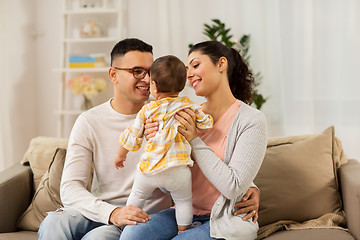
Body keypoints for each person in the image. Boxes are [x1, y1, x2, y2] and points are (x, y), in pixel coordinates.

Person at [37, 38, 260, 240]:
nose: (146, 79)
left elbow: (207, 158)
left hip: (142, 215)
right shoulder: (89, 121)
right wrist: (113, 213)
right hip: (101, 210)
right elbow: (70, 188)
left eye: (149, 72)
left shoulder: (173, 113)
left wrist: (249, 186)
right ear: (113, 75)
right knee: (54, 222)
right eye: (137, 71)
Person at [120, 40, 267, 240]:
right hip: (184, 211)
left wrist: (194, 140)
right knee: (131, 236)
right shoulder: (183, 112)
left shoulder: (251, 120)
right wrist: (156, 146)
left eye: (195, 65)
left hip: (225, 218)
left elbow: (233, 187)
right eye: (187, 68)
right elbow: (166, 185)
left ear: (221, 64)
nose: (189, 74)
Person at [114, 55, 213, 233]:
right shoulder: (187, 106)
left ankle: (125, 224)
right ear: (183, 86)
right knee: (183, 201)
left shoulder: (148, 110)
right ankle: (184, 231)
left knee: (137, 195)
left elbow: (132, 135)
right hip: (177, 169)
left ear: (154, 86)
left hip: (150, 168)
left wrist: (121, 155)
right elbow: (206, 125)